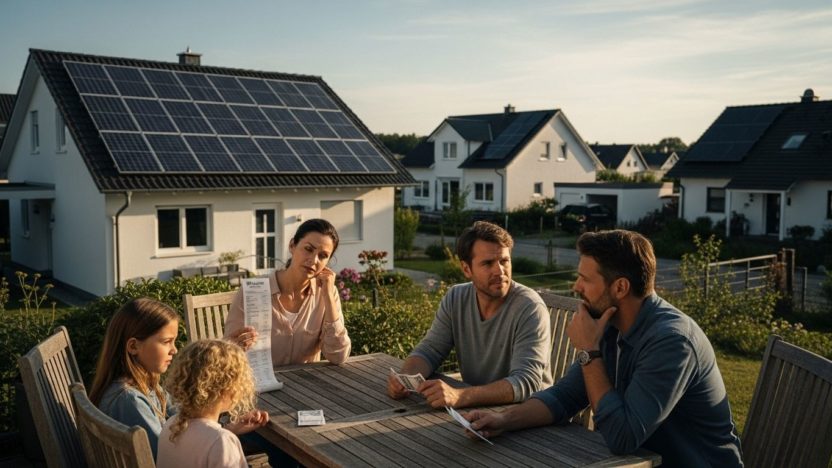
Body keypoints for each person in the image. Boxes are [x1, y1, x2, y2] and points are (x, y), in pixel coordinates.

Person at [465, 230, 744, 467]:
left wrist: (589, 352)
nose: (576, 287)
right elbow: (564, 397)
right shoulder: (611, 325)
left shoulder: (671, 342)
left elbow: (621, 437)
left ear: (620, 287)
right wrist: (503, 419)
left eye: (585, 279)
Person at [387, 221, 552, 409]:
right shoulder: (456, 298)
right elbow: (430, 350)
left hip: (529, 418)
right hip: (477, 411)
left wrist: (460, 396)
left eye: (504, 261)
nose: (499, 271)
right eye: (488, 263)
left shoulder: (529, 308)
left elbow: (526, 383)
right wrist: (404, 379)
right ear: (466, 269)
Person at [89, 298, 269, 460]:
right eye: (167, 342)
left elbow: (184, 422)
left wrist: (226, 427)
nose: (174, 350)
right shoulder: (128, 400)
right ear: (134, 346)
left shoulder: (147, 386)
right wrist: (221, 435)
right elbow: (166, 455)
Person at [224, 218, 351, 365]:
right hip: (258, 383)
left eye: (322, 256)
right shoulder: (253, 291)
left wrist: (328, 296)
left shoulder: (327, 293)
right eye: (308, 249)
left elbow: (338, 356)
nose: (314, 260)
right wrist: (237, 345)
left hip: (306, 385)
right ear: (292, 245)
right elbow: (229, 350)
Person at [157, 339, 267, 468]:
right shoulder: (222, 442)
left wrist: (230, 429)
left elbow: (201, 443)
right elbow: (212, 444)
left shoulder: (172, 424)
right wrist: (225, 434)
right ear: (228, 387)